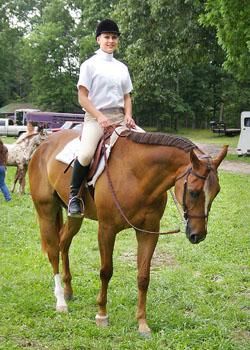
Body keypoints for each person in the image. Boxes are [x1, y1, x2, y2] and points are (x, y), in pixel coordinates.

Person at [68, 19, 135, 217]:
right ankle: (74, 196)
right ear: (98, 39)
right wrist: (98, 116)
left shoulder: (122, 67)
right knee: (86, 153)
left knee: (145, 144)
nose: (110, 40)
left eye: (114, 37)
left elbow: (127, 96)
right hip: (95, 118)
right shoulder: (89, 65)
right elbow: (82, 96)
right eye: (107, 37)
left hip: (120, 118)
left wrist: (129, 115)